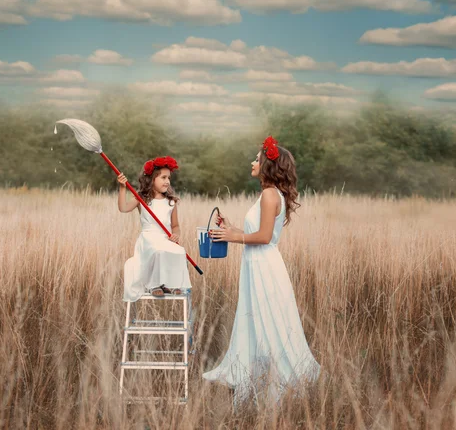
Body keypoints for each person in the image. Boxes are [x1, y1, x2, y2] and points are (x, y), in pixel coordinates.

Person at [203, 136, 320, 404]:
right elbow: (258, 232)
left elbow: (265, 236)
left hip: (264, 263)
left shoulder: (269, 194)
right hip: (258, 262)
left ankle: (276, 382)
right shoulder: (269, 193)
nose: (252, 162)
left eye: (257, 158)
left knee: (269, 320)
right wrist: (233, 227)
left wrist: (233, 236)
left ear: (268, 164)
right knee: (258, 319)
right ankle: (259, 377)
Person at [117, 156, 192, 301]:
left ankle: (173, 283)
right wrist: (122, 188)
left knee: (179, 251)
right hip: (148, 239)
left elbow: (175, 226)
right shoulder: (142, 199)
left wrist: (176, 235)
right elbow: (123, 208)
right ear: (152, 179)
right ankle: (154, 285)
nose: (167, 181)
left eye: (169, 178)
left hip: (165, 239)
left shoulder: (171, 202)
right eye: (163, 177)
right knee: (158, 250)